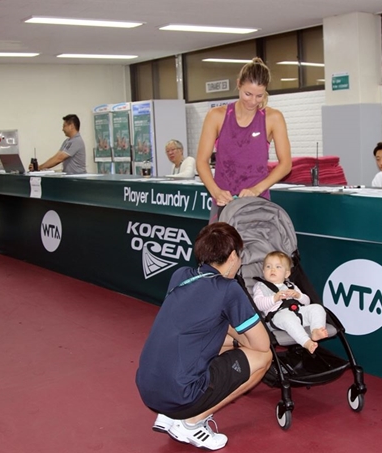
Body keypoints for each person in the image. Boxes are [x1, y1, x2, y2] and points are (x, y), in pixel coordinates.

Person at [136, 222, 272, 451]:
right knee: (263, 358)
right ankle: (190, 423)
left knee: (216, 343)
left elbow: (201, 323)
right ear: (231, 256)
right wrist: (240, 338)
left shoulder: (181, 275)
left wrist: (233, 337)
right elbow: (262, 344)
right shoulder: (229, 289)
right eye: (240, 255)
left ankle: (170, 415)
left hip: (148, 388)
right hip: (181, 394)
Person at [195, 57, 292, 222]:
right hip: (223, 203)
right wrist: (215, 191)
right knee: (221, 247)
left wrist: (256, 189)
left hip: (257, 204)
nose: (253, 101)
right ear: (238, 84)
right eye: (248, 94)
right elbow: (202, 161)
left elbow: (286, 164)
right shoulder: (217, 116)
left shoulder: (273, 118)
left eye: (259, 96)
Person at [252, 251, 328, 354]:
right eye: (268, 266)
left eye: (278, 267)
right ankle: (306, 342)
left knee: (317, 308)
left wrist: (298, 295)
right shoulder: (260, 286)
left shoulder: (291, 285)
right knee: (287, 317)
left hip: (299, 312)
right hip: (278, 317)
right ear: (263, 271)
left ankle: (316, 330)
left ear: (287, 274)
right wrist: (274, 298)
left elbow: (306, 302)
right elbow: (258, 304)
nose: (272, 269)